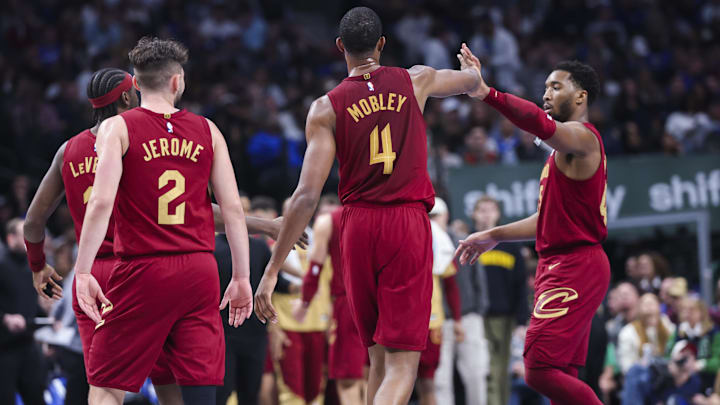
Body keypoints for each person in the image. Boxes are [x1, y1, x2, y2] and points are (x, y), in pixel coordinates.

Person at [22, 67, 293, 405]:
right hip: (136, 270)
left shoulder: (69, 151)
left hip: (94, 273)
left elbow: (33, 222)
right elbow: (193, 213)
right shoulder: (138, 139)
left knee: (106, 385)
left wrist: (38, 266)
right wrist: (264, 225)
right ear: (126, 96)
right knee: (167, 382)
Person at [254, 7, 481, 404]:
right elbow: (470, 82)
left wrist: (273, 269)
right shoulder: (416, 80)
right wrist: (473, 70)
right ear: (381, 43)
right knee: (402, 366)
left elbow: (306, 195)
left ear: (340, 46)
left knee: (376, 359)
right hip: (405, 222)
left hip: (356, 226)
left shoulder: (325, 107)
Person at [72, 37, 252, 405]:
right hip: (200, 271)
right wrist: (241, 277)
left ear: (135, 84)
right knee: (197, 384)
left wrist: (84, 271)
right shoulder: (209, 130)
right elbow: (232, 209)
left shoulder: (117, 128)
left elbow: (102, 201)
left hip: (143, 269)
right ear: (177, 82)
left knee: (106, 382)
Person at [457, 44, 609, 404]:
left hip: (575, 264)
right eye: (544, 87)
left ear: (581, 95)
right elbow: (546, 220)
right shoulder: (562, 153)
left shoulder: (582, 138)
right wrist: (493, 234)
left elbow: (539, 124)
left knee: (538, 370)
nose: (546, 93)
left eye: (556, 86)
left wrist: (486, 93)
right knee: (562, 374)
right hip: (564, 261)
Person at [298, 202, 367, 405]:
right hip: (381, 303)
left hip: (349, 304)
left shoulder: (328, 221)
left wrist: (304, 302)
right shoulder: (384, 214)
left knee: (348, 382)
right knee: (375, 375)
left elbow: (315, 269)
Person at [470, 195, 528, 405]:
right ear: (474, 214)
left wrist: (522, 321)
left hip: (505, 318)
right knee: (482, 369)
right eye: (481, 209)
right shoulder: (469, 242)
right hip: (476, 317)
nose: (486, 214)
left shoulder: (511, 245)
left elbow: (521, 285)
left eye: (490, 209)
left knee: (503, 370)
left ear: (498, 214)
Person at [416, 197, 463, 405]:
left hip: (430, 319)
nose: (432, 220)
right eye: (430, 215)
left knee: (427, 382)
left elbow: (451, 285)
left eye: (436, 216)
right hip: (400, 317)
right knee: (392, 376)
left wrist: (458, 320)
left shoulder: (440, 239)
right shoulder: (399, 229)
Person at [0, 218, 46, 405]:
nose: (30, 239)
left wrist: (49, 318)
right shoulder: (1, 265)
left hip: (28, 344)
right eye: (24, 235)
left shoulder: (32, 267)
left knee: (36, 397)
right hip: (4, 348)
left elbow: (30, 302)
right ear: (11, 239)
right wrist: (4, 318)